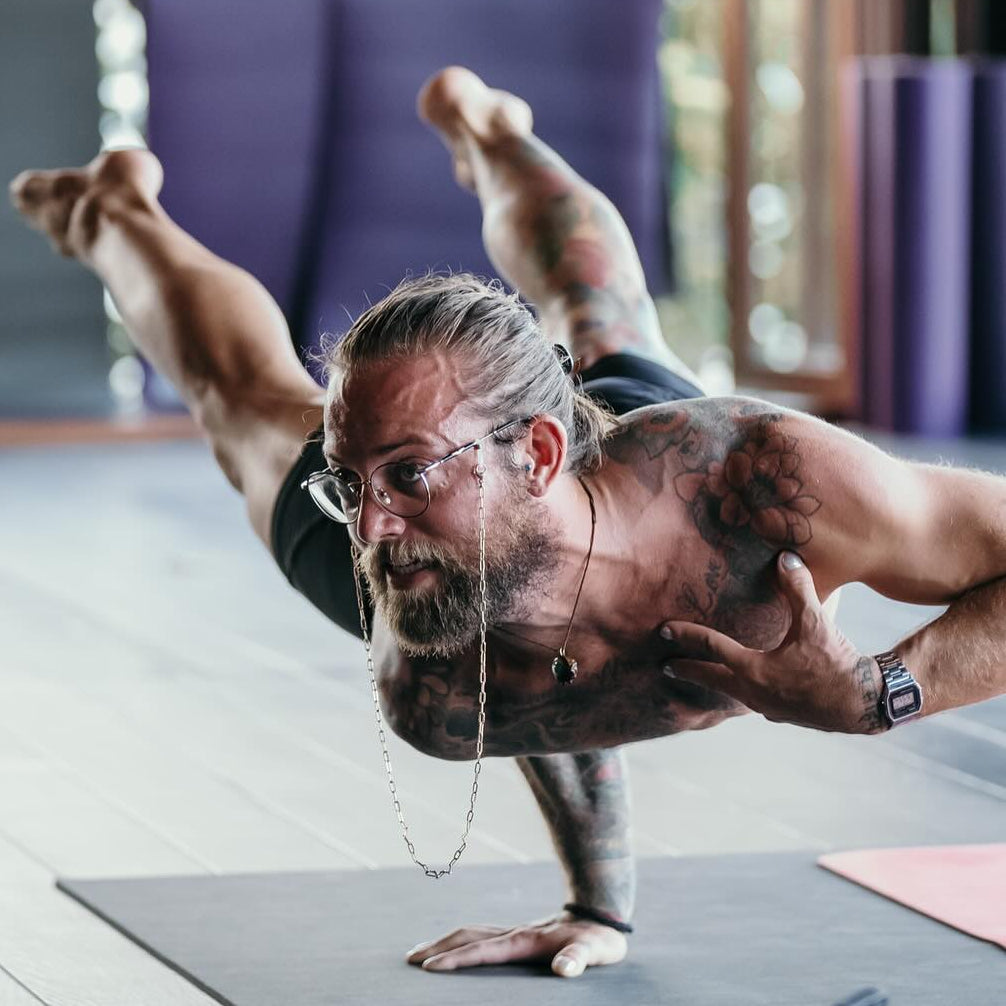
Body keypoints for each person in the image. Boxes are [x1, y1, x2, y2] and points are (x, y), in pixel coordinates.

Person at [10, 66, 1006, 980]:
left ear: (539, 453)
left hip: (632, 485)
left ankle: (490, 131)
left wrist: (883, 691)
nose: (370, 526)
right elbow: (546, 690)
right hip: (479, 568)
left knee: (599, 307)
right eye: (351, 481)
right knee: (241, 400)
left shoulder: (756, 484)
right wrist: (599, 907)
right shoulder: (426, 675)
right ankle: (110, 208)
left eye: (404, 475)